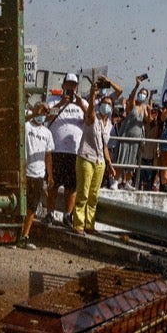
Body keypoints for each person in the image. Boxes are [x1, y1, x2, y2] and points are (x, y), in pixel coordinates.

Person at [74, 93, 118, 234]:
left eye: (110, 104)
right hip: (86, 158)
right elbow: (90, 110)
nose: (107, 105)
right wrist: (93, 95)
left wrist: (109, 164)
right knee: (83, 192)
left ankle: (89, 224)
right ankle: (78, 224)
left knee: (93, 195)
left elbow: (104, 145)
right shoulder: (93, 117)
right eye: (105, 102)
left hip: (100, 161)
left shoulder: (109, 124)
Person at [46, 73, 86, 224]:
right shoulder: (53, 100)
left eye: (73, 85)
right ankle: (50, 212)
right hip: (56, 150)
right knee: (53, 184)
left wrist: (81, 104)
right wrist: (61, 104)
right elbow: (46, 116)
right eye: (68, 84)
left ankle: (67, 215)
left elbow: (90, 118)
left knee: (71, 187)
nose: (70, 87)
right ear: (63, 86)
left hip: (74, 152)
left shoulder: (82, 104)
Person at [19, 102, 53, 249]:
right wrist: (34, 112)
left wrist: (50, 175)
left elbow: (48, 155)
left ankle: (24, 236)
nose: (42, 115)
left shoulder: (47, 133)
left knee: (32, 207)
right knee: (20, 207)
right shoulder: (26, 126)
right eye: (40, 111)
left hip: (39, 175)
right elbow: (20, 121)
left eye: (45, 112)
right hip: (24, 173)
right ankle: (15, 235)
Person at [116, 77, 152, 190]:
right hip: (126, 136)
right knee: (122, 158)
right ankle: (116, 180)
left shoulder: (144, 108)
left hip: (136, 139)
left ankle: (126, 181)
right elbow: (131, 98)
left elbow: (148, 120)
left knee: (131, 161)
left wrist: (149, 109)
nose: (142, 95)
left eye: (144, 94)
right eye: (141, 93)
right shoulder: (133, 104)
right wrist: (136, 86)